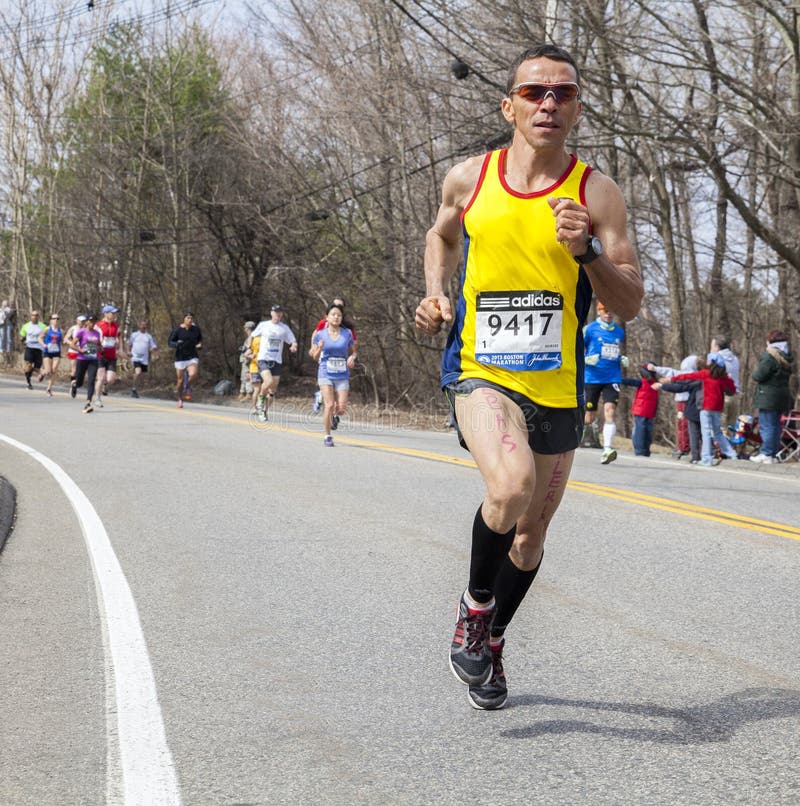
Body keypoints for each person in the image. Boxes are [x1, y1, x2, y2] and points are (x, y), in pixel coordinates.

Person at [414, 44, 642, 710]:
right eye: (535, 92)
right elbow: (441, 236)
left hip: (560, 384)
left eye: (563, 93)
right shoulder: (470, 179)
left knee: (531, 535)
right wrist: (436, 295)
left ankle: (490, 639)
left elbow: (627, 301)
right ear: (508, 104)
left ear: (576, 108)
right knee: (510, 487)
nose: (548, 104)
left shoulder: (595, 192)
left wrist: (588, 252)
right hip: (481, 370)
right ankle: (473, 607)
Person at [670, 352, 737, 466]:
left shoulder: (705, 374)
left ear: (711, 363)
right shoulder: (723, 377)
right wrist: (730, 380)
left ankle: (707, 458)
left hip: (706, 408)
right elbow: (732, 390)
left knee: (705, 432)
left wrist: (673, 378)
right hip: (717, 408)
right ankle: (732, 454)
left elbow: (688, 376)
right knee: (717, 432)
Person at [582, 301, 629, 463]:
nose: (609, 314)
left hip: (612, 377)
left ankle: (607, 448)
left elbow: (615, 351)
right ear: (599, 311)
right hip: (592, 377)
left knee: (610, 411)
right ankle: (576, 435)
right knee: (588, 417)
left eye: (611, 311)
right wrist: (586, 359)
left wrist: (621, 358)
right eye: (605, 310)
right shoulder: (590, 329)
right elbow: (574, 349)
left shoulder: (619, 332)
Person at [309, 303, 357, 446]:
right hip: (325, 372)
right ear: (327, 317)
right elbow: (315, 357)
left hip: (342, 374)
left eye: (339, 315)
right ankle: (327, 435)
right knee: (329, 405)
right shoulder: (320, 334)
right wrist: (320, 348)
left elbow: (354, 351)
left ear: (341, 318)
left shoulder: (347, 333)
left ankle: (320, 397)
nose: (336, 317)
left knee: (341, 409)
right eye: (333, 314)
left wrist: (352, 358)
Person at [750, 329, 794, 464]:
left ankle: (766, 453)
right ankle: (773, 453)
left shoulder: (770, 356)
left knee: (767, 425)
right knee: (775, 426)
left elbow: (759, 375)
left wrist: (755, 373)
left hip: (768, 396)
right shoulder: (786, 356)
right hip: (782, 396)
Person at [249, 304, 298, 421]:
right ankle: (261, 398)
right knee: (268, 381)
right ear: (271, 313)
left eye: (280, 312)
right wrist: (248, 348)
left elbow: (293, 340)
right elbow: (252, 335)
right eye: (275, 312)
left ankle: (264, 411)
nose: (278, 314)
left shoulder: (284, 328)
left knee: (272, 390)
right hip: (263, 358)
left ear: (282, 314)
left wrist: (294, 346)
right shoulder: (263, 325)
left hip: (276, 360)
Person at [619, 364, 662, 456]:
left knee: (643, 430)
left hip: (644, 410)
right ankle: (642, 450)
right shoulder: (653, 383)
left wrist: (618, 379)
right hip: (645, 411)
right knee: (644, 430)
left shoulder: (647, 382)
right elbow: (629, 381)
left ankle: (643, 450)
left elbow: (629, 381)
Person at [168, 312, 202, 408]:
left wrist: (199, 345)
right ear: (184, 319)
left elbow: (199, 340)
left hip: (192, 356)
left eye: (191, 318)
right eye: (188, 318)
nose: (190, 320)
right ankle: (180, 399)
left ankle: (187, 387)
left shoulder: (196, 330)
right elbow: (170, 342)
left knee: (193, 374)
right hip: (180, 358)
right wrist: (176, 344)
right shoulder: (178, 330)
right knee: (180, 381)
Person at [71, 313, 102, 413]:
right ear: (87, 322)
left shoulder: (97, 333)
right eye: (91, 321)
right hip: (82, 359)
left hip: (93, 359)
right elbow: (72, 344)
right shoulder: (82, 332)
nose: (93, 323)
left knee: (91, 380)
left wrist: (100, 349)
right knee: (80, 381)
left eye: (94, 321)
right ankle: (75, 385)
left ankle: (88, 403)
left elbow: (99, 345)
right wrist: (80, 350)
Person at [94, 304, 122, 406]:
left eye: (115, 313)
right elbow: (92, 338)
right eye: (112, 313)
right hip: (101, 355)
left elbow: (118, 337)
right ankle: (97, 398)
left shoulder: (116, 326)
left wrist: (119, 347)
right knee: (100, 378)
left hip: (112, 355)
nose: (114, 314)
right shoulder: (98, 325)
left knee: (110, 379)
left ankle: (103, 385)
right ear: (106, 314)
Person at [128, 320, 158, 398]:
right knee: (138, 372)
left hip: (144, 359)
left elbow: (153, 346)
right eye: (142, 325)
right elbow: (129, 344)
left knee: (141, 375)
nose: (143, 326)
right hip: (135, 357)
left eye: (145, 325)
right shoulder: (134, 335)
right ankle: (134, 389)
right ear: (139, 326)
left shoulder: (149, 336)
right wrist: (128, 351)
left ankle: (135, 389)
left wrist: (154, 351)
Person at [19, 310, 46, 389]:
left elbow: (46, 336)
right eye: (33, 315)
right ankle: (28, 382)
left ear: (38, 316)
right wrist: (22, 341)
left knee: (37, 368)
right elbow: (22, 336)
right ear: (31, 316)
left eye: (36, 315)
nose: (34, 317)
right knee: (28, 365)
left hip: (38, 348)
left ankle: (29, 372)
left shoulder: (43, 326)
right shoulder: (26, 326)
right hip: (29, 347)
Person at [40, 314, 63, 396]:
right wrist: (44, 345)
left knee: (54, 370)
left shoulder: (61, 330)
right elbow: (40, 338)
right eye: (54, 318)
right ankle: (43, 373)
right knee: (48, 371)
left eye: (57, 318)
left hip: (56, 352)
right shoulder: (47, 329)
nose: (56, 320)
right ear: (51, 320)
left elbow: (62, 341)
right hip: (47, 351)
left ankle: (49, 389)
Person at [65, 314, 86, 387]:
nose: (82, 322)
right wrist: (72, 343)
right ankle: (73, 384)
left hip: (83, 351)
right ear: (77, 321)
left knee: (79, 369)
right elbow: (66, 339)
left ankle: (76, 382)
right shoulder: (73, 328)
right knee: (74, 369)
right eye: (80, 321)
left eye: (83, 321)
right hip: (73, 351)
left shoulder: (86, 329)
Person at [238, 321, 256, 402]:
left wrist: (246, 353)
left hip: (248, 360)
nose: (244, 329)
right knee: (243, 377)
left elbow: (251, 349)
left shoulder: (252, 337)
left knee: (248, 377)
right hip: (245, 359)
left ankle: (249, 393)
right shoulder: (250, 337)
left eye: (245, 327)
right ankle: (242, 393)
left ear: (248, 328)